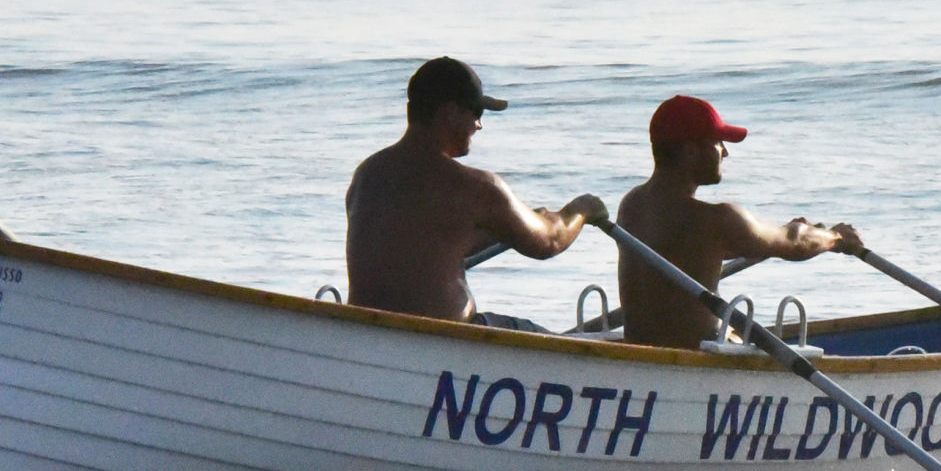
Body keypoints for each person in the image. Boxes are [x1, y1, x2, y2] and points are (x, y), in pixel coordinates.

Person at [346, 57, 607, 326]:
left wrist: (509, 224)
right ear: (449, 113)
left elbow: (424, 243)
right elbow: (550, 240)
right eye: (476, 113)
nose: (479, 126)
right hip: (444, 339)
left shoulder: (367, 175)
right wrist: (581, 210)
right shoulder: (475, 188)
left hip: (365, 332)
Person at [616, 96, 863, 350]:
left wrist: (763, 241)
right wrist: (835, 237)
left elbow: (688, 249)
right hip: (697, 358)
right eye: (717, 142)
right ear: (690, 151)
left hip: (640, 347)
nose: (725, 151)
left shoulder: (631, 206)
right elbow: (794, 242)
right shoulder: (716, 220)